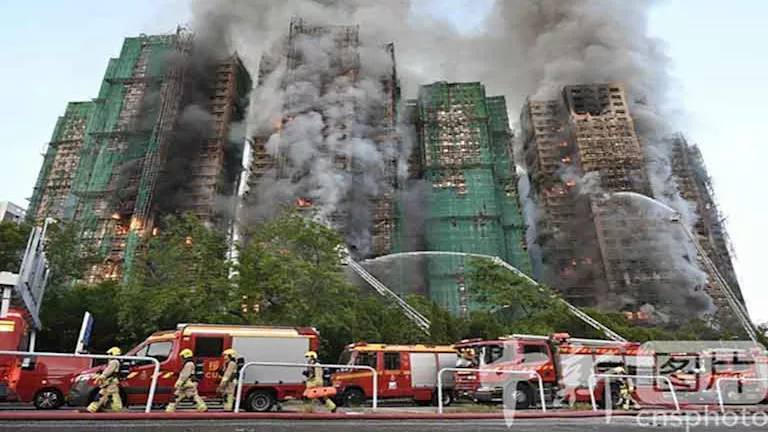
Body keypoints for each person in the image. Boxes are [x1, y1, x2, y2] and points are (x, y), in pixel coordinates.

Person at [86, 347, 124, 413]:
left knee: (103, 396)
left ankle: (92, 408)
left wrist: (100, 377)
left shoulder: (114, 362)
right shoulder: (114, 362)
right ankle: (117, 409)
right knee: (113, 396)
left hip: (110, 383)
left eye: (109, 354)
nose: (108, 356)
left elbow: (107, 372)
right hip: (110, 383)